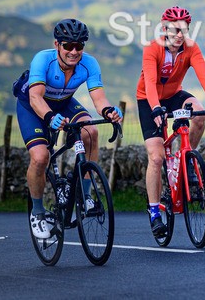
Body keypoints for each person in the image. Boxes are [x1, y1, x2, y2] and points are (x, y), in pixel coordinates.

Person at [13, 18, 123, 239]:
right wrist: (50, 116)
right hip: (32, 106)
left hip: (64, 102)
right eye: (68, 45)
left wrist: (108, 111)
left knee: (90, 131)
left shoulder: (89, 64)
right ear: (57, 45)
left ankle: (85, 195)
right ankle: (37, 211)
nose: (74, 51)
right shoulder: (42, 60)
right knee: (41, 157)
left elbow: (98, 98)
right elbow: (35, 97)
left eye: (79, 46)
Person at [136, 6, 205, 237]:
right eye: (176, 30)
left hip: (174, 95)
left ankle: (187, 159)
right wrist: (156, 108)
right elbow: (149, 82)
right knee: (156, 157)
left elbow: (203, 75)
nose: (180, 35)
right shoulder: (152, 49)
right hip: (149, 100)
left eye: (184, 30)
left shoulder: (190, 48)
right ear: (165, 28)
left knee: (197, 113)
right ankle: (155, 211)